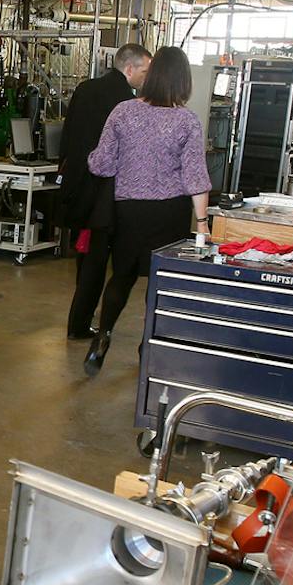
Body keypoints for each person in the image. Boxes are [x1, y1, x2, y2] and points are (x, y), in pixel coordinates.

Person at [83, 46, 211, 376]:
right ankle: (147, 347)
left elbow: (101, 164)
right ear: (184, 81)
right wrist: (202, 223)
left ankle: (103, 336)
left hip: (129, 211)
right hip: (169, 214)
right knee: (160, 284)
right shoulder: (186, 120)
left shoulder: (123, 112)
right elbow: (195, 177)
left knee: (121, 277)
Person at [58, 43, 153, 341]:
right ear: (130, 69)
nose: (146, 78)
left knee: (85, 258)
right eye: (145, 71)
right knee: (97, 264)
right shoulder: (127, 103)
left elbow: (67, 137)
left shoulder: (85, 89)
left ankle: (80, 319)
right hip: (106, 195)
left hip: (78, 189)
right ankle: (79, 324)